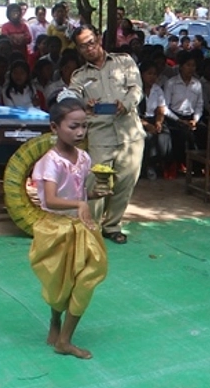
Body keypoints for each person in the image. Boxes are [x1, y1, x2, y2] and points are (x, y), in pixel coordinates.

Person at [29, 97, 109, 359]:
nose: (80, 132)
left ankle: (65, 339)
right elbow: (50, 199)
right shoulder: (49, 162)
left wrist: (95, 194)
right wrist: (79, 203)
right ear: (54, 127)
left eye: (84, 127)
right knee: (59, 281)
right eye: (73, 126)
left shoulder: (84, 158)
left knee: (87, 277)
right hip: (55, 228)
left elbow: (80, 193)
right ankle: (55, 323)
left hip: (82, 227)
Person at [68, 24, 145, 245]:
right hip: (100, 135)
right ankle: (90, 227)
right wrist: (84, 103)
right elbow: (70, 97)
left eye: (91, 42)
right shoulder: (80, 76)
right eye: (83, 46)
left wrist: (126, 104)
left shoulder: (124, 61)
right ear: (79, 50)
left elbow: (136, 88)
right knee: (96, 183)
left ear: (99, 39)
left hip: (130, 132)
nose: (89, 48)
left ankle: (112, 226)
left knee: (125, 182)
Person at [138, 61, 172, 180]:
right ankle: (146, 167)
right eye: (149, 73)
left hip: (154, 119)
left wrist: (158, 122)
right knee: (147, 137)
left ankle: (159, 166)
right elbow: (133, 113)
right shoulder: (136, 90)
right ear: (142, 74)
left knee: (164, 136)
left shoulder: (157, 89)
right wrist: (146, 125)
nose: (152, 77)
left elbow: (161, 109)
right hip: (139, 120)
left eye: (155, 74)